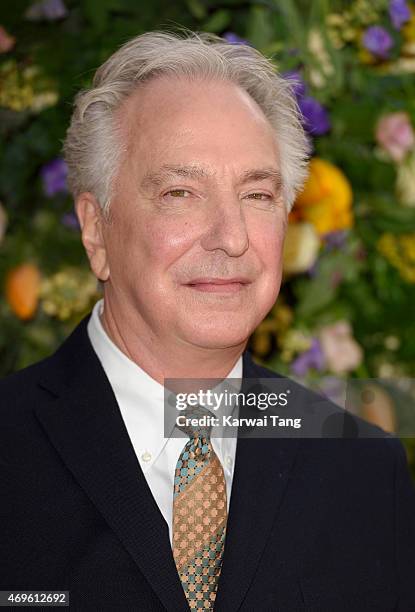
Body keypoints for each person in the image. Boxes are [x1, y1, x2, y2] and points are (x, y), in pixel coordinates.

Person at [1, 30, 414, 612]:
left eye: (257, 195)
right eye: (180, 192)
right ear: (95, 229)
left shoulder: (364, 475)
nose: (232, 237)